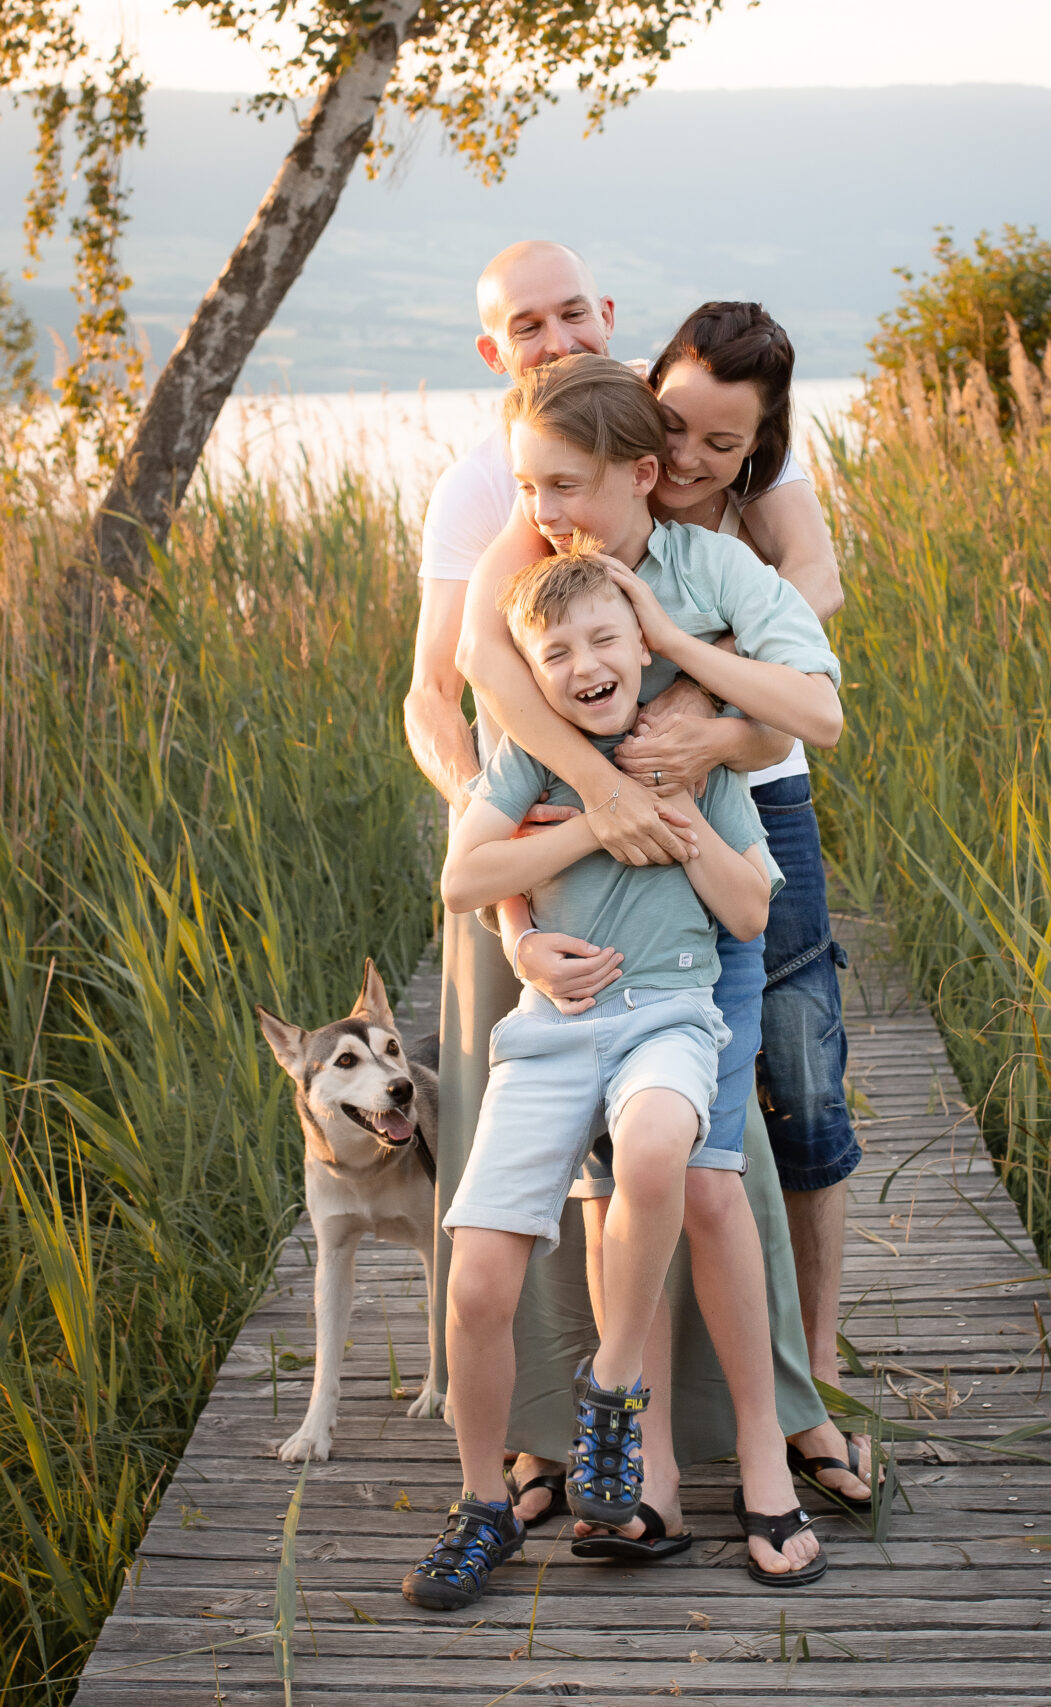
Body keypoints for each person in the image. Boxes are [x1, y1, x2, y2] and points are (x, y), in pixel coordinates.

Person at [405, 241, 867, 1538]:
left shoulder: (707, 507)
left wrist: (705, 709)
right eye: (523, 324)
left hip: (731, 835)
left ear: (612, 329)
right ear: (497, 353)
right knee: (599, 1163)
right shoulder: (511, 507)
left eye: (570, 314)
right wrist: (571, 828)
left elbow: (809, 644)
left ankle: (780, 1410)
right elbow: (474, 682)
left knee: (737, 1139)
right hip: (573, 858)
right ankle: (583, 1443)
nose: (551, 336)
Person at [402, 542, 829, 1610]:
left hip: (671, 1020)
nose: (585, 663)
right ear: (532, 678)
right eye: (556, 653)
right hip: (551, 1034)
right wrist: (592, 826)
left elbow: (745, 912)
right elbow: (464, 878)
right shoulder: (527, 765)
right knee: (478, 1279)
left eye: (604, 640)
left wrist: (678, 829)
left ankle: (610, 1386)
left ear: (642, 646)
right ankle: (478, 1508)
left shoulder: (690, 760)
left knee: (653, 1150)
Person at [619, 303, 872, 1511]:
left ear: (758, 445)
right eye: (671, 424)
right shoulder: (607, 457)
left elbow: (813, 594)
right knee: (656, 1092)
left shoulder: (760, 503)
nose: (685, 458)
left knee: (799, 1071)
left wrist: (720, 718)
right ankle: (643, 1403)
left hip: (760, 801)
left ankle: (812, 1370)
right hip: (622, 827)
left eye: (721, 445)